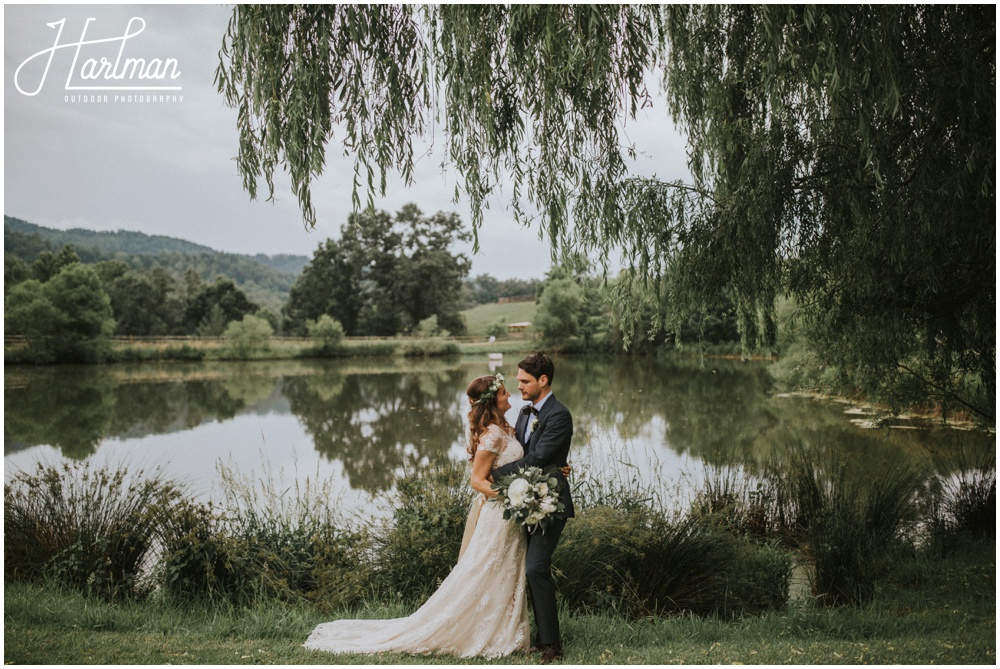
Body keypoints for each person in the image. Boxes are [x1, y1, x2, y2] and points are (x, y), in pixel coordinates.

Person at [303, 373, 532, 659]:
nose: (509, 396)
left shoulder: (505, 428)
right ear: (491, 401)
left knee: (502, 571)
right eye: (503, 393)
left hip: (510, 516)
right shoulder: (492, 435)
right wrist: (510, 496)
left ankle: (505, 630)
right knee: (487, 571)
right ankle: (484, 632)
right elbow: (477, 481)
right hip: (499, 515)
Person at [493, 352, 574, 665]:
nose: (519, 386)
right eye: (518, 380)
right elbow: (520, 451)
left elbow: (538, 458)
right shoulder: (526, 412)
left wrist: (492, 476)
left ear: (544, 380)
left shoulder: (559, 414)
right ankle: (525, 635)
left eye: (525, 381)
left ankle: (551, 645)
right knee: (520, 568)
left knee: (535, 567)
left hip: (550, 503)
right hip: (523, 500)